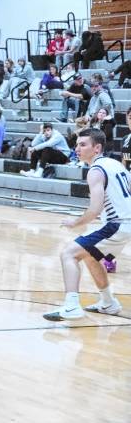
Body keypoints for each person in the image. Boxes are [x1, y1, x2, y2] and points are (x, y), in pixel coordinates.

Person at [43, 129, 131, 321]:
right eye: (77, 144)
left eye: (83, 145)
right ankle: (108, 303)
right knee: (91, 257)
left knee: (69, 253)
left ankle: (72, 305)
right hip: (124, 224)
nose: (77, 149)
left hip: (117, 224)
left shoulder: (96, 171)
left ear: (97, 148)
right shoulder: (115, 164)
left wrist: (75, 222)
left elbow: (95, 210)